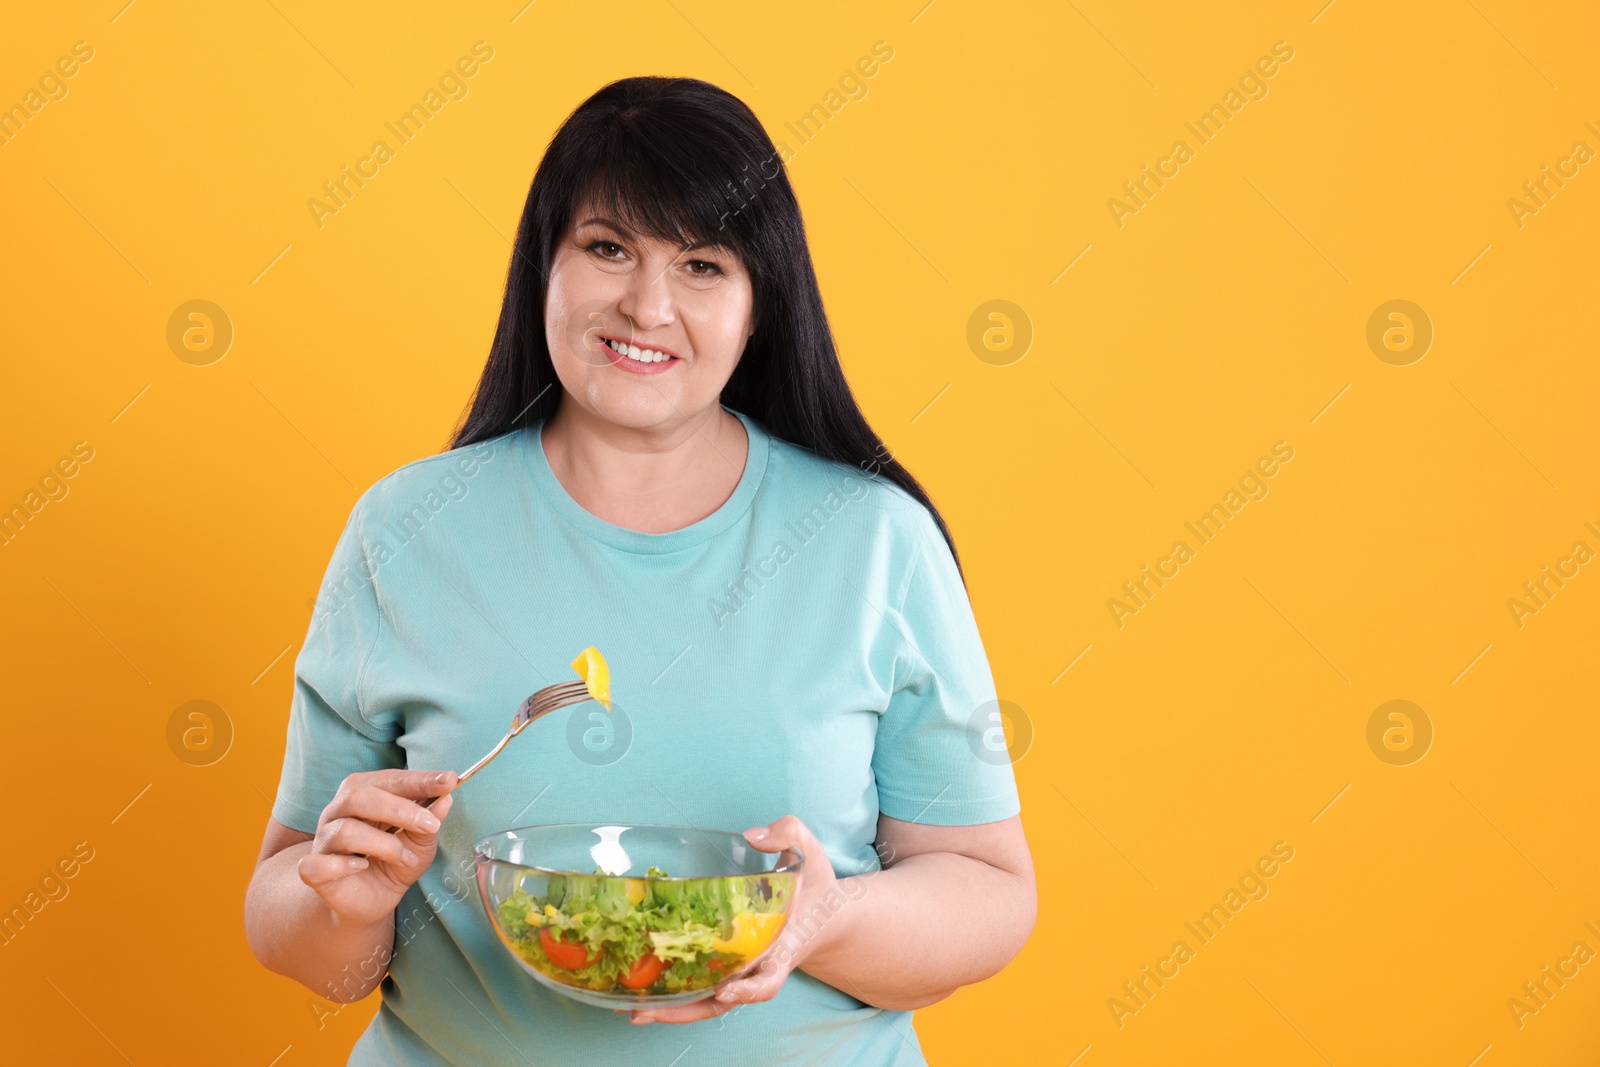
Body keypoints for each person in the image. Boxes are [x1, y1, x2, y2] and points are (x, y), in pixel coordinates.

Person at [244, 75, 1035, 1065]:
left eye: (701, 264)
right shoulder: (407, 527)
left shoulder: (872, 540)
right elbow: (308, 944)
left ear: (758, 304)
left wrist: (827, 918)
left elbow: (989, 891)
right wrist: (346, 909)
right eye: (608, 247)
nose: (646, 304)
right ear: (545, 265)